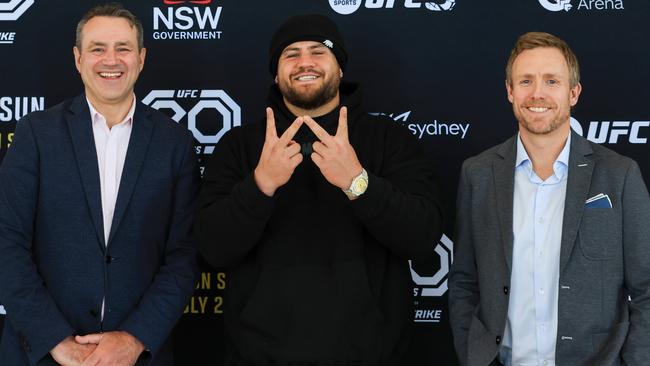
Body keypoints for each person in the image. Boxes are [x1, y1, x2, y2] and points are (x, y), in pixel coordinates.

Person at [196, 14, 444, 365]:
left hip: (371, 355)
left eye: (318, 51)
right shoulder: (239, 145)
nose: (305, 62)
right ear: (276, 72)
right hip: (258, 356)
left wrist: (358, 182)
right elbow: (210, 249)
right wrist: (260, 185)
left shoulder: (388, 139)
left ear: (340, 67)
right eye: (291, 54)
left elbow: (423, 237)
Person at [0, 3, 199, 365]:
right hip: (45, 355)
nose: (112, 60)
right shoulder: (36, 134)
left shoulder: (176, 143)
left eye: (123, 48)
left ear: (141, 58)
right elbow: (6, 242)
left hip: (138, 357)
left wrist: (136, 337)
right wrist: (54, 339)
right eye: (97, 49)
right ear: (78, 59)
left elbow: (183, 256)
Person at [449, 31, 650, 366]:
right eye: (526, 81)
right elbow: (464, 282)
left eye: (551, 81)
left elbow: (647, 288)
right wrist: (473, 353)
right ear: (510, 92)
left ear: (574, 93)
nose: (537, 93)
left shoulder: (620, 175)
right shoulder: (478, 174)